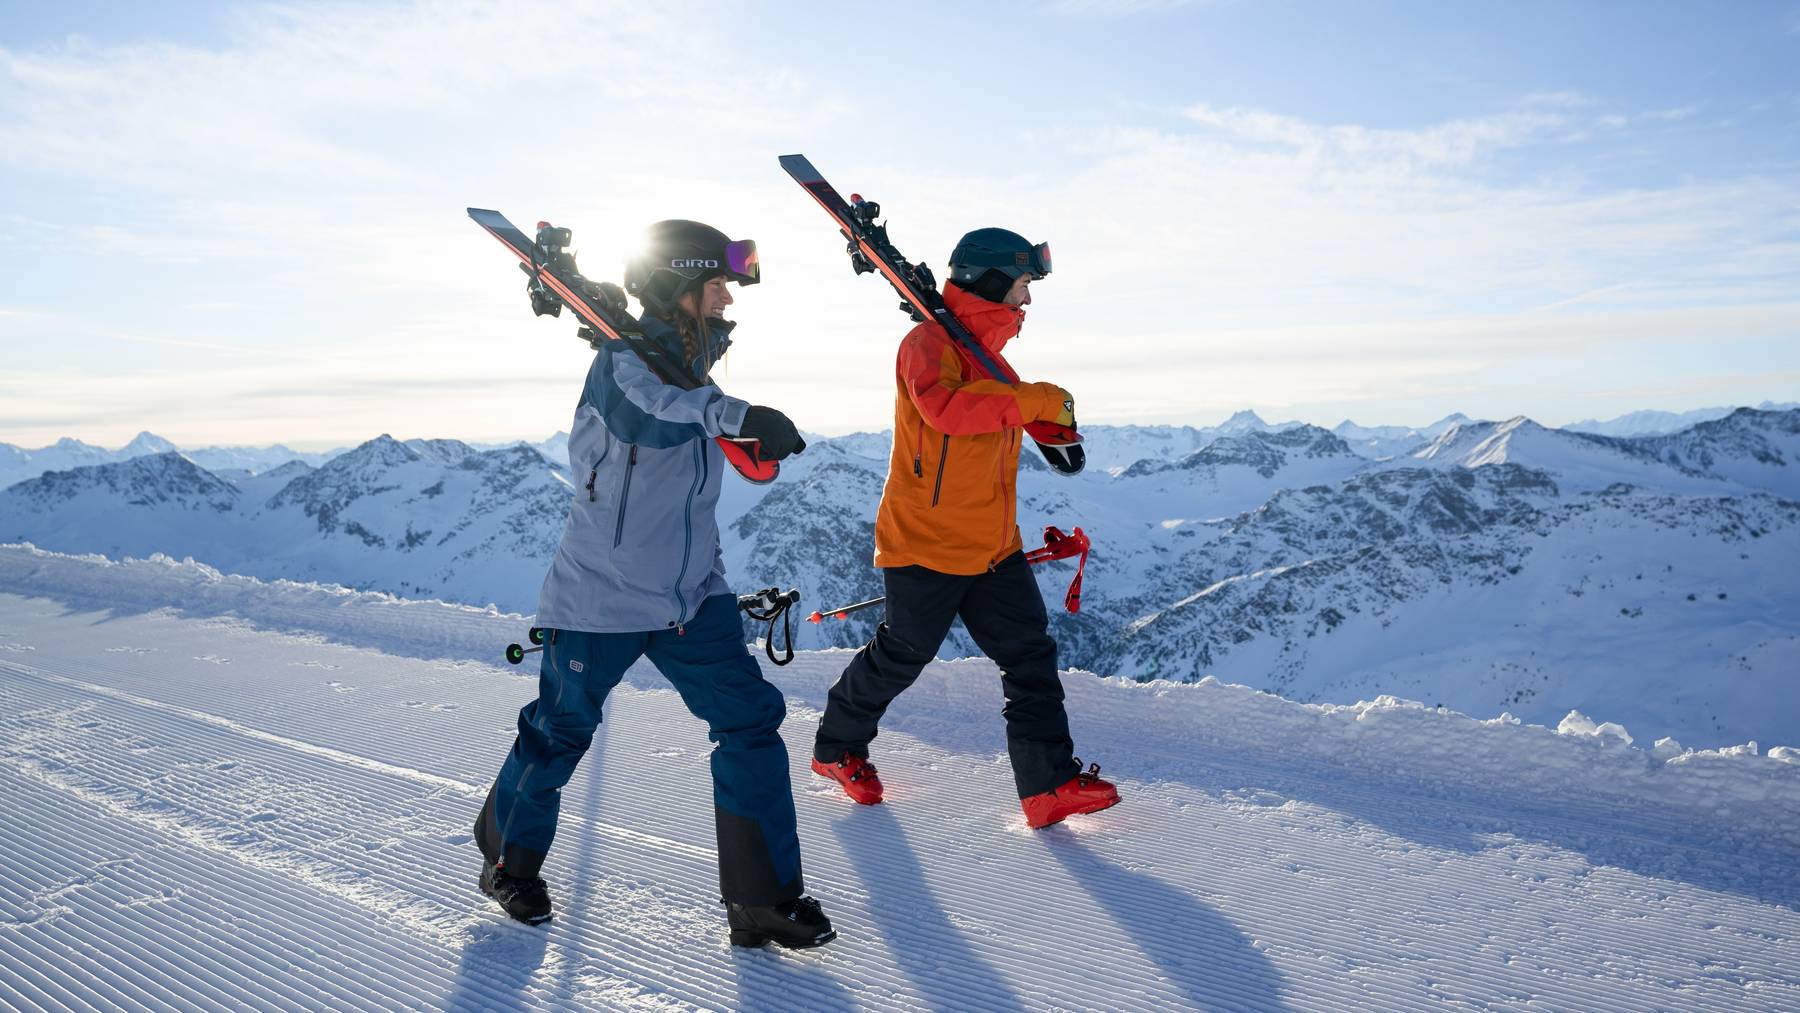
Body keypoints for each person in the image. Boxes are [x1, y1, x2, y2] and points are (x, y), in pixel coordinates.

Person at [474, 219, 835, 949]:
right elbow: (650, 418)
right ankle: (507, 861)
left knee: (749, 723)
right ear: (679, 288)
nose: (730, 300)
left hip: (690, 599)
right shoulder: (624, 370)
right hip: (600, 598)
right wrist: (736, 415)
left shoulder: (693, 380)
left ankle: (762, 899)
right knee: (558, 733)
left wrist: (717, 579)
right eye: (717, 286)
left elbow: (691, 497)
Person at [811, 227, 1120, 830]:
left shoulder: (992, 360)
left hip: (992, 545)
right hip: (924, 541)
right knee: (903, 653)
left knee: (1030, 656)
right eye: (1023, 284)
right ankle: (835, 748)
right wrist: (1031, 401)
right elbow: (947, 412)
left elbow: (995, 411)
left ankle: (1048, 786)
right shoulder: (925, 343)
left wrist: (1050, 431)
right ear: (992, 279)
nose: (1027, 300)